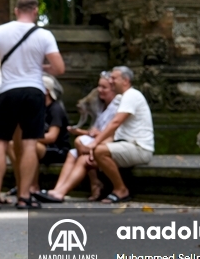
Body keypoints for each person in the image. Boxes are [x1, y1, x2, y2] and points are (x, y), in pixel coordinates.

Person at [0, 0, 65, 209]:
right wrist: (41, 68)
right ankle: (24, 196)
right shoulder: (44, 35)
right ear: (35, 11)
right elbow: (59, 68)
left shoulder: (0, 31)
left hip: (9, 91)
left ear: (16, 10)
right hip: (34, 91)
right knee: (29, 143)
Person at [33, 71, 120, 203]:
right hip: (97, 143)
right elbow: (96, 133)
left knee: (81, 151)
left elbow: (114, 132)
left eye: (104, 88)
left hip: (109, 145)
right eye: (99, 87)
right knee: (73, 154)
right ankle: (57, 189)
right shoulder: (101, 107)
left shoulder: (117, 107)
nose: (99, 90)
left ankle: (83, 186)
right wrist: (81, 131)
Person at [75, 65, 154, 203]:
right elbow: (115, 132)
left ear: (125, 80)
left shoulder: (132, 95)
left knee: (99, 152)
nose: (110, 81)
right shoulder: (120, 98)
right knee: (89, 153)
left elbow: (115, 123)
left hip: (140, 148)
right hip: (125, 144)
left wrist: (95, 143)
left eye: (113, 78)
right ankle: (96, 187)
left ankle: (121, 189)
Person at [13, 74, 68, 196]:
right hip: (42, 146)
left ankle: (33, 185)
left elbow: (52, 136)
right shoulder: (37, 108)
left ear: (46, 91)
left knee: (31, 146)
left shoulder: (56, 109)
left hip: (57, 150)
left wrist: (29, 138)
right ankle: (21, 183)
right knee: (14, 145)